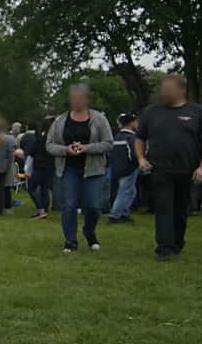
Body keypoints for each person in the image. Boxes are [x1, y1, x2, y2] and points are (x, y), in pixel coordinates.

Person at [135, 73, 202, 261]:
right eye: (163, 88)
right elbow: (140, 137)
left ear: (182, 90)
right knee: (163, 207)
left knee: (180, 209)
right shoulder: (151, 112)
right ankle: (164, 247)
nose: (165, 92)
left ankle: (177, 241)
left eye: (169, 88)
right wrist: (141, 158)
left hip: (187, 170)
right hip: (160, 169)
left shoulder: (198, 112)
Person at [48, 82, 112, 251]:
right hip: (69, 169)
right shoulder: (60, 121)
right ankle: (70, 240)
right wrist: (66, 150)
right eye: (73, 98)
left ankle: (89, 231)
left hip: (94, 170)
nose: (76, 101)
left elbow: (108, 143)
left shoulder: (99, 119)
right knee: (69, 205)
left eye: (79, 98)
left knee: (93, 206)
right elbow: (49, 145)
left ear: (87, 99)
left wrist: (87, 148)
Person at [107, 112, 139, 224]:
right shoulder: (132, 138)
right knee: (124, 192)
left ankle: (124, 212)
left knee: (130, 192)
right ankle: (115, 215)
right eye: (135, 122)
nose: (137, 124)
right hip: (129, 169)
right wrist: (138, 164)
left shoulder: (116, 137)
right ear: (131, 123)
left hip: (116, 169)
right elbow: (134, 155)